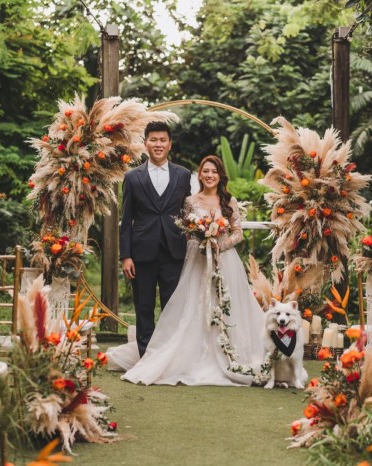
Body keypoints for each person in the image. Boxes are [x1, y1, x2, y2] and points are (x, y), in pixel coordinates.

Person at [107, 155, 265, 386]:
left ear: (220, 175)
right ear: (199, 175)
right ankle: (184, 355)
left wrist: (218, 244)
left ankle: (228, 351)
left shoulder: (229, 201)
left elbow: (238, 232)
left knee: (226, 304)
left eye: (214, 172)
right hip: (196, 260)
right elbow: (186, 230)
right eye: (205, 171)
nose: (209, 175)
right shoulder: (190, 201)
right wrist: (202, 240)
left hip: (225, 260)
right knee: (191, 307)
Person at [119, 121, 192, 357]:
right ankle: (146, 357)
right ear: (145, 143)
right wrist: (125, 255)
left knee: (173, 307)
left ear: (170, 144)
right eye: (153, 139)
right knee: (144, 307)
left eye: (163, 140)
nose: (158, 144)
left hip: (174, 251)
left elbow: (189, 211)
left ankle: (170, 358)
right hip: (141, 253)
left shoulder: (183, 175)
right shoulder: (132, 177)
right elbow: (126, 219)